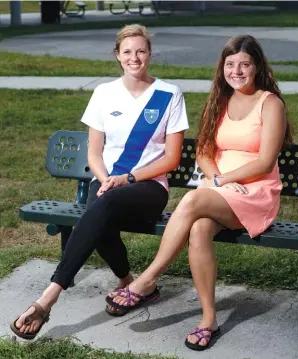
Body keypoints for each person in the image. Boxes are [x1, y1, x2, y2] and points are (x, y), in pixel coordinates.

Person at [106, 35, 293, 351]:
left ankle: (146, 280)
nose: (236, 71)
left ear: (257, 66)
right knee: (199, 228)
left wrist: (222, 182)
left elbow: (264, 161)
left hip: (254, 193)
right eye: (230, 64)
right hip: (221, 190)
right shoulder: (221, 100)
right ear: (222, 68)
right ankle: (209, 319)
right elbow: (204, 152)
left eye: (244, 64)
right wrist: (218, 178)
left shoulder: (270, 103)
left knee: (192, 199)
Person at [10, 24, 189, 340]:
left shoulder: (169, 94)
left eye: (141, 51)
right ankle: (128, 283)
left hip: (148, 186)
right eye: (128, 52)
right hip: (107, 182)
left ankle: (48, 298)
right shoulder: (104, 93)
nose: (135, 58)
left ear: (150, 54)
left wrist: (126, 178)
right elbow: (94, 151)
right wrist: (106, 179)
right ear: (118, 56)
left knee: (99, 207)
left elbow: (171, 160)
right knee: (100, 211)